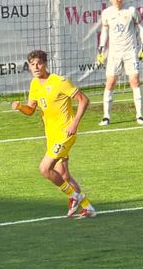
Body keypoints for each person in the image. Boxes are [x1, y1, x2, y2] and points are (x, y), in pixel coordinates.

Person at [11, 49, 95, 218]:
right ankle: (88, 208)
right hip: (51, 136)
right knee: (62, 174)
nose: (36, 67)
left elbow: (84, 100)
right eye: (32, 64)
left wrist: (74, 124)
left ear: (45, 64)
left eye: (39, 64)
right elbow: (30, 110)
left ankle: (74, 196)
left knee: (44, 168)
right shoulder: (35, 84)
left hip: (65, 133)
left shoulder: (59, 82)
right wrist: (20, 107)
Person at [97, 0, 143, 126]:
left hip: (130, 52)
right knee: (110, 83)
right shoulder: (106, 13)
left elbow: (140, 28)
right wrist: (101, 49)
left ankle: (140, 115)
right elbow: (105, 32)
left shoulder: (131, 11)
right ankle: (106, 116)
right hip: (114, 53)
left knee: (135, 81)